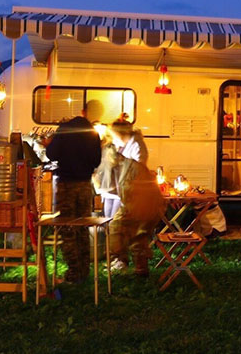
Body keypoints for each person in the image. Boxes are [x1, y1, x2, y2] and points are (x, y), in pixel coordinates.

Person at [44, 100, 103, 283]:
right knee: (82, 226)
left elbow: (52, 154)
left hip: (66, 185)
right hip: (85, 185)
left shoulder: (64, 129)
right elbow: (96, 161)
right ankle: (84, 270)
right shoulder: (93, 134)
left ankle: (73, 272)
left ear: (82, 111)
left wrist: (49, 143)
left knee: (66, 227)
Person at [108, 120, 164, 276]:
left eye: (114, 136)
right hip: (143, 199)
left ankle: (122, 262)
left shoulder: (135, 153)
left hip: (140, 198)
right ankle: (137, 269)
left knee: (120, 228)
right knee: (138, 234)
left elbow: (133, 175)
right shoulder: (125, 149)